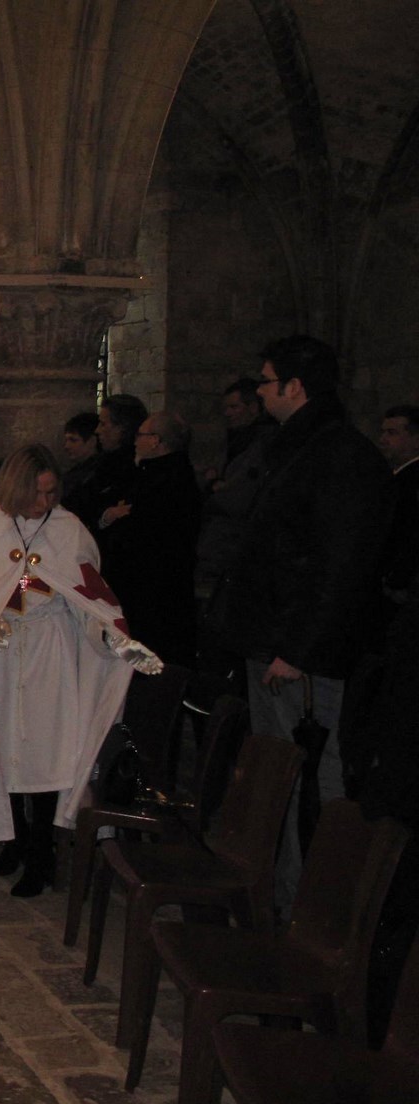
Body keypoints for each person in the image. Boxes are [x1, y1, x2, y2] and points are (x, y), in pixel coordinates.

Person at [218, 335, 391, 912]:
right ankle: (276, 895)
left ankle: (311, 912)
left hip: (299, 659)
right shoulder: (300, 446)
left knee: (309, 781)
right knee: (277, 780)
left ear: (295, 387)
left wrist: (296, 649)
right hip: (275, 644)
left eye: (266, 382)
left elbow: (340, 567)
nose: (260, 391)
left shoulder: (339, 455)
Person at [0, 445, 156, 897]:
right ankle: (16, 842)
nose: (45, 503)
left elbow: (88, 593)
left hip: (49, 652)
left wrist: (112, 638)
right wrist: (9, 601)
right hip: (0, 654)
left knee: (41, 752)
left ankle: (42, 854)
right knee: (2, 746)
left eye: (51, 492)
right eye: (37, 493)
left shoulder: (68, 529)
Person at [96, 410, 203, 665]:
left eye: (140, 435)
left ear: (156, 440)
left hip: (153, 590)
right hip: (150, 587)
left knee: (151, 657)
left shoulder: (166, 481)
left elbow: (142, 531)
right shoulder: (152, 474)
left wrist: (118, 521)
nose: (135, 441)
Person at [193, 379, 275, 600]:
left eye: (234, 407)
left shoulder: (262, 445)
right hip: (220, 547)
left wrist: (214, 487)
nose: (228, 413)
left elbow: (236, 496)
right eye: (226, 408)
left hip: (235, 547)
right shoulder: (234, 443)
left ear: (253, 408)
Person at [75, 394, 147, 535]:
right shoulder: (101, 462)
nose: (97, 431)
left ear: (122, 428)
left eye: (103, 424)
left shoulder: (132, 468)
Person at [377, 404, 419, 621]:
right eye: (383, 431)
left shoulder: (411, 483)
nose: (383, 439)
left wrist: (395, 579)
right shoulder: (397, 478)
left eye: (392, 433)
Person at [57, 411, 101, 515]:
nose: (66, 446)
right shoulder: (77, 472)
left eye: (73, 440)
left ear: (92, 441)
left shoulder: (96, 475)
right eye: (66, 440)